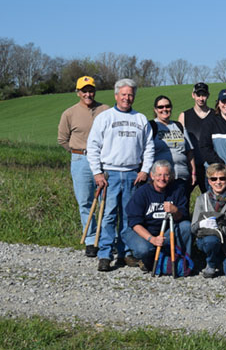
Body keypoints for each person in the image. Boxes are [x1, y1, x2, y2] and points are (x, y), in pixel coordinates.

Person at [86, 78, 154, 272]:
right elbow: (93, 146)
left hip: (133, 174)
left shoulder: (140, 119)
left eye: (130, 94)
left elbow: (149, 147)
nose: (127, 98)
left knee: (129, 216)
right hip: (110, 174)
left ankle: (125, 253)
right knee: (108, 215)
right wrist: (97, 172)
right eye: (123, 94)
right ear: (116, 96)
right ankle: (105, 254)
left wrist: (145, 170)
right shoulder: (105, 117)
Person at [57, 75, 109, 257]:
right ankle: (90, 240)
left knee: (106, 201)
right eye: (84, 91)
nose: (88, 94)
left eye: (91, 90)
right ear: (78, 92)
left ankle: (105, 240)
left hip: (103, 160)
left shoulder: (105, 110)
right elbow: (62, 139)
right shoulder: (69, 113)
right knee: (85, 202)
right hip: (80, 160)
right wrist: (78, 152)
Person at [122, 160, 191, 273]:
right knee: (144, 249)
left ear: (171, 176)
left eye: (166, 175)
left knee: (186, 226)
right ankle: (148, 259)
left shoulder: (177, 191)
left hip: (165, 232)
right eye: (159, 175)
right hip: (142, 231)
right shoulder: (142, 192)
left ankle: (181, 261)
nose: (162, 178)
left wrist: (175, 211)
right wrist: (152, 239)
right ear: (152, 176)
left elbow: (182, 217)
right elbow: (134, 223)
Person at [192, 162, 226, 281]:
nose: (218, 182)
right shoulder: (201, 199)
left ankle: (221, 259)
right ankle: (211, 262)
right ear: (209, 181)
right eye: (214, 179)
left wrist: (220, 229)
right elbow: (193, 227)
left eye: (222, 178)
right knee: (211, 240)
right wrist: (201, 224)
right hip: (208, 240)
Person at [150, 95, 196, 201]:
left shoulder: (179, 126)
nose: (164, 109)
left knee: (181, 209)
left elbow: (189, 152)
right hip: (161, 179)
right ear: (155, 109)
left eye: (167, 106)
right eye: (161, 107)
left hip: (181, 177)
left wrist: (193, 173)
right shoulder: (152, 126)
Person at [178, 82, 212, 193]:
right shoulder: (184, 116)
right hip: (190, 166)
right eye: (198, 95)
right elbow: (179, 143)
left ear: (208, 95)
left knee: (211, 201)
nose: (201, 98)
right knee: (183, 199)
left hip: (210, 166)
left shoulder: (215, 115)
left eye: (204, 95)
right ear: (193, 95)